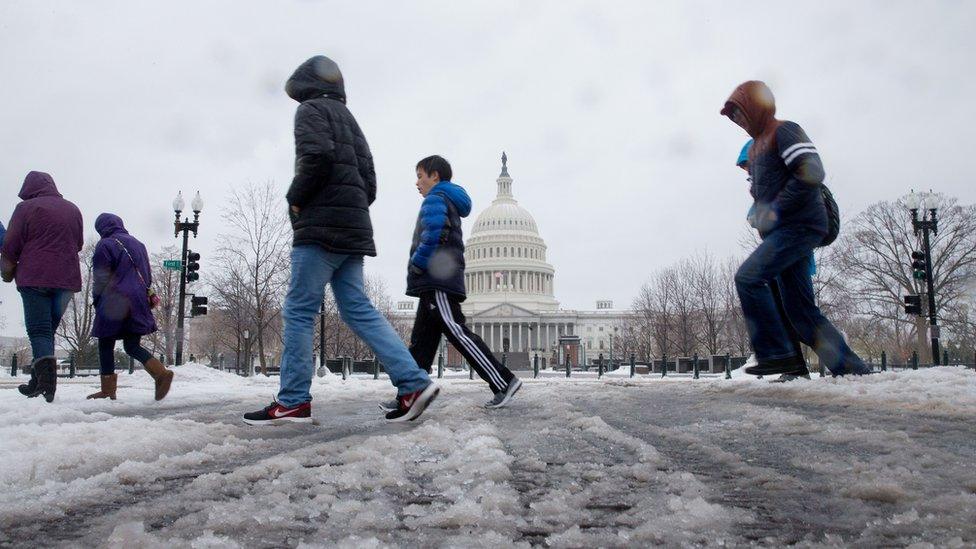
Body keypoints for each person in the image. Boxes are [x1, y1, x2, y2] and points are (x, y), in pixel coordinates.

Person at [243, 55, 438, 425]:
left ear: (304, 86)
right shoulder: (351, 121)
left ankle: (293, 400)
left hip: (320, 229)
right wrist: (349, 210)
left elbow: (316, 157)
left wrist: (296, 199)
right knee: (357, 308)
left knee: (300, 310)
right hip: (352, 229)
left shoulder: (310, 111)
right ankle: (413, 382)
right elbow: (370, 182)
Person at [721, 81, 869, 377]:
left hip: (800, 225)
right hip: (783, 231)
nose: (738, 122)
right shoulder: (758, 147)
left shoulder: (784, 131)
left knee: (749, 278)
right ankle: (851, 369)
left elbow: (811, 170)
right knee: (800, 310)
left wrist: (774, 209)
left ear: (755, 107)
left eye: (740, 113)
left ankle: (778, 354)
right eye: (733, 118)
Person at [382, 155, 521, 411]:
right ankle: (411, 391)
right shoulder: (446, 199)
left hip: (438, 280)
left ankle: (503, 381)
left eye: (420, 176)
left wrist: (418, 263)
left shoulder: (436, 199)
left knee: (457, 332)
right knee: (421, 342)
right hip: (433, 281)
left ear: (435, 176)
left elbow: (434, 235)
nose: (417, 182)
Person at [1, 171, 84, 402]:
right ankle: (37, 381)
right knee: (47, 331)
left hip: (35, 278)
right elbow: (78, 244)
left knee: (39, 331)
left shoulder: (25, 209)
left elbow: (10, 245)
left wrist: (7, 273)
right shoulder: (73, 209)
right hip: (66, 281)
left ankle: (47, 385)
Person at [737, 140, 810, 381]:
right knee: (785, 312)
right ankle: (796, 369)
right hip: (778, 259)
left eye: (750, 166)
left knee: (802, 314)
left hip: (791, 255)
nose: (748, 172)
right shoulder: (764, 184)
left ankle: (846, 365)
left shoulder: (780, 181)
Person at [87, 213, 173, 401]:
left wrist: (96, 299)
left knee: (105, 342)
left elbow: (101, 276)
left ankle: (108, 389)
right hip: (138, 300)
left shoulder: (105, 244)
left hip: (114, 299)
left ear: (101, 228)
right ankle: (160, 373)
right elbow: (147, 275)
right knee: (132, 345)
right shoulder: (138, 244)